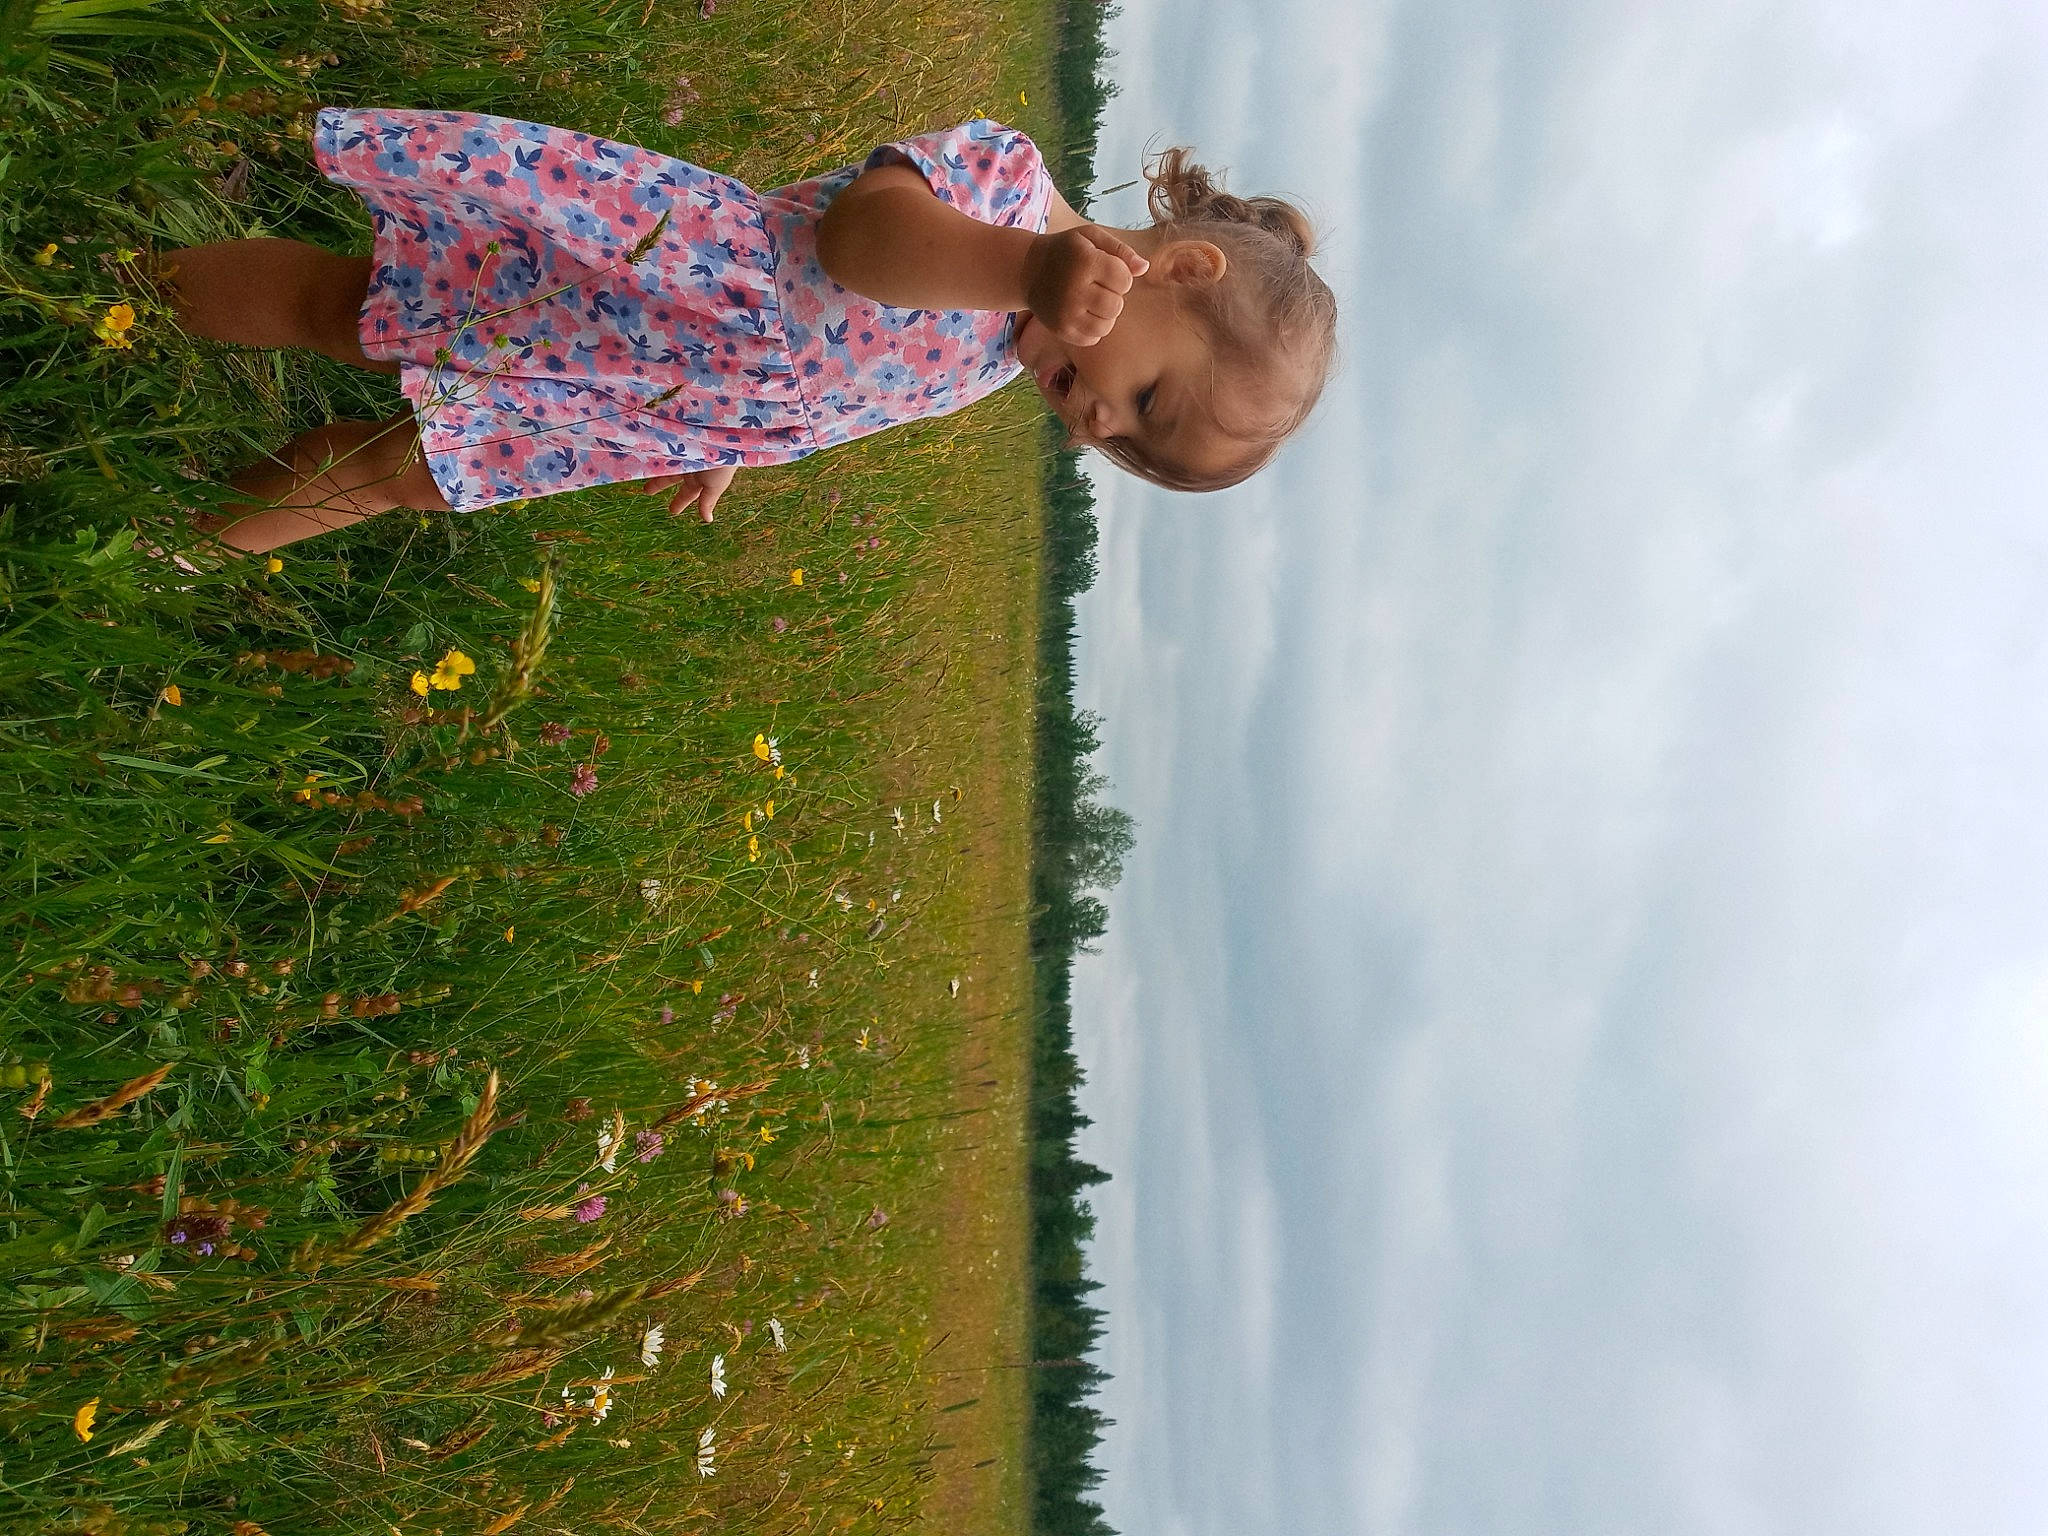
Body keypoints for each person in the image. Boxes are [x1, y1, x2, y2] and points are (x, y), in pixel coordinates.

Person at [157, 108, 1337, 552]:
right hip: (649, 284)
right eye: (1144, 401)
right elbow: (858, 242)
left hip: (662, 404)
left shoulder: (1003, 359)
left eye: (1122, 445)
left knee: (410, 473)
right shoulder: (1009, 196)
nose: (1094, 423)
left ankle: (169, 542)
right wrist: (1022, 265)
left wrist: (730, 442)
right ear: (1178, 269)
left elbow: (835, 384)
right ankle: (125, 295)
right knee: (353, 310)